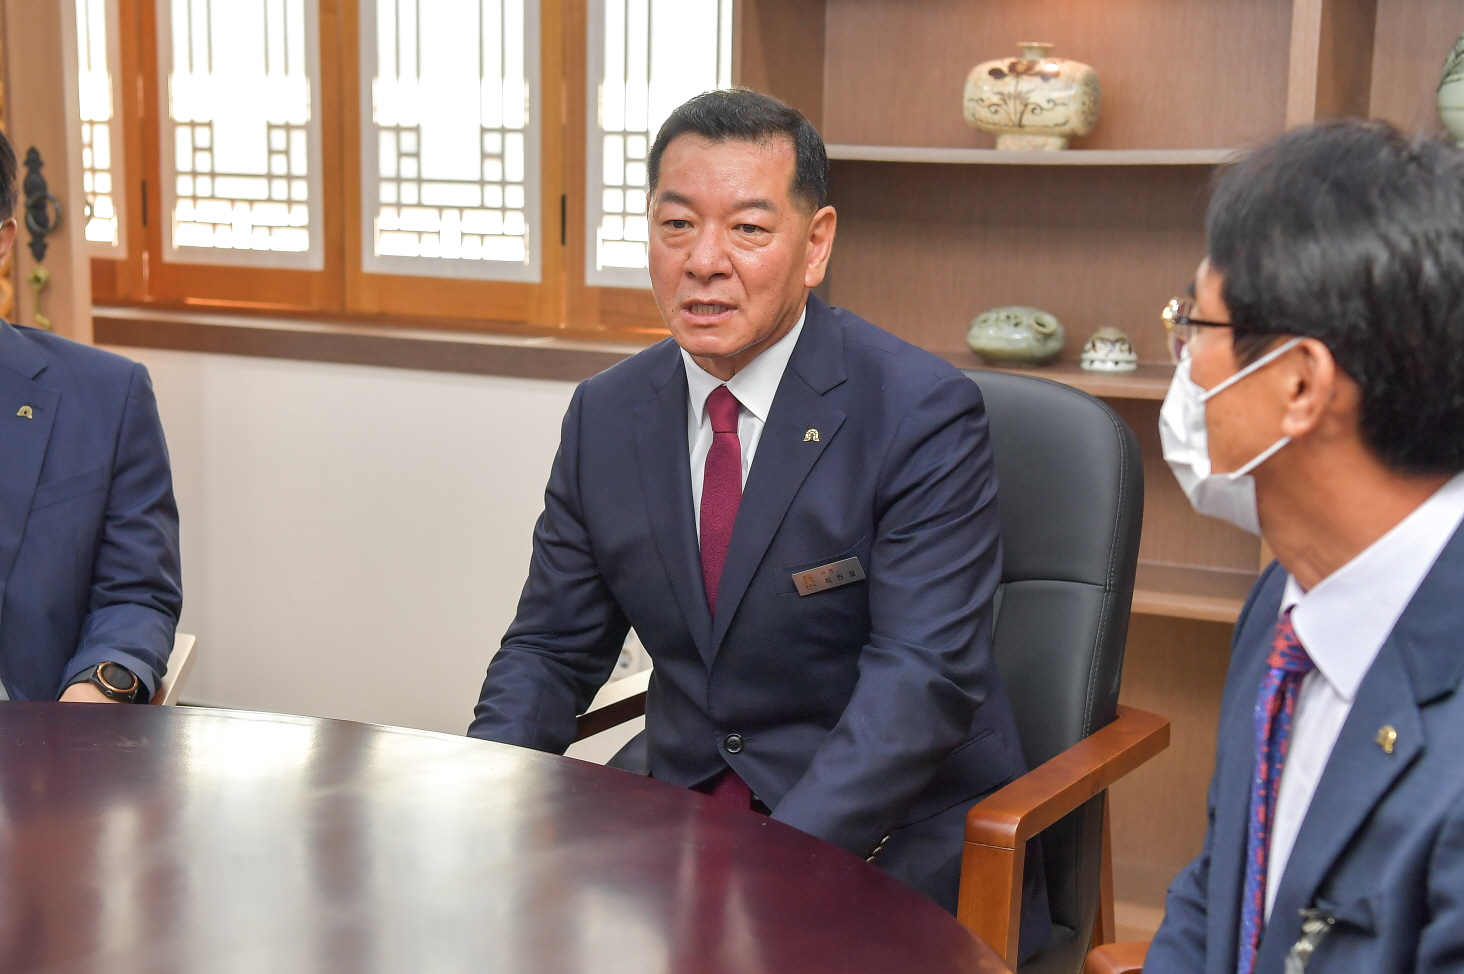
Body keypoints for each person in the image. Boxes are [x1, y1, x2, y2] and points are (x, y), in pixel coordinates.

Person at [468, 88, 1047, 952]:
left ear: (815, 245)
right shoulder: (607, 414)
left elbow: (920, 683)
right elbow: (551, 649)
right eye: (676, 225)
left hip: (883, 835)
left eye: (747, 228)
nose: (704, 261)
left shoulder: (919, 414)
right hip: (685, 821)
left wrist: (773, 864)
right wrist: (477, 793)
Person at [1147, 119, 1464, 973]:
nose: (1186, 366)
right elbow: (1219, 890)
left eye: (1196, 326)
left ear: (1299, 384)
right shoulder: (1291, 602)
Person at [0, 129, 180, 704]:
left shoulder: (107, 396)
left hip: (33, 739)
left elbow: (136, 595)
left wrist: (95, 691)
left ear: (2, 242)